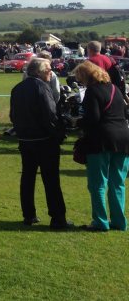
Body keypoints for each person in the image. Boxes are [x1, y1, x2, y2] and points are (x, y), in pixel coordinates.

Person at [9, 57, 72, 229]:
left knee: (27, 177)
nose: (51, 73)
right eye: (48, 70)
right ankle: (58, 217)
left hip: (25, 140)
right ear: (39, 72)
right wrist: (58, 134)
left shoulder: (17, 88)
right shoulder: (42, 88)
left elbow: (13, 116)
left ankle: (29, 215)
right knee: (51, 180)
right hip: (44, 141)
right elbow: (50, 115)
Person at [72, 61, 129, 231]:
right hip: (123, 138)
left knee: (97, 183)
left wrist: (77, 122)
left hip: (101, 140)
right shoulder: (115, 89)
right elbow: (124, 113)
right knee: (117, 182)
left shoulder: (92, 91)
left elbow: (93, 119)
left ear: (85, 77)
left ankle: (100, 221)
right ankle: (119, 221)